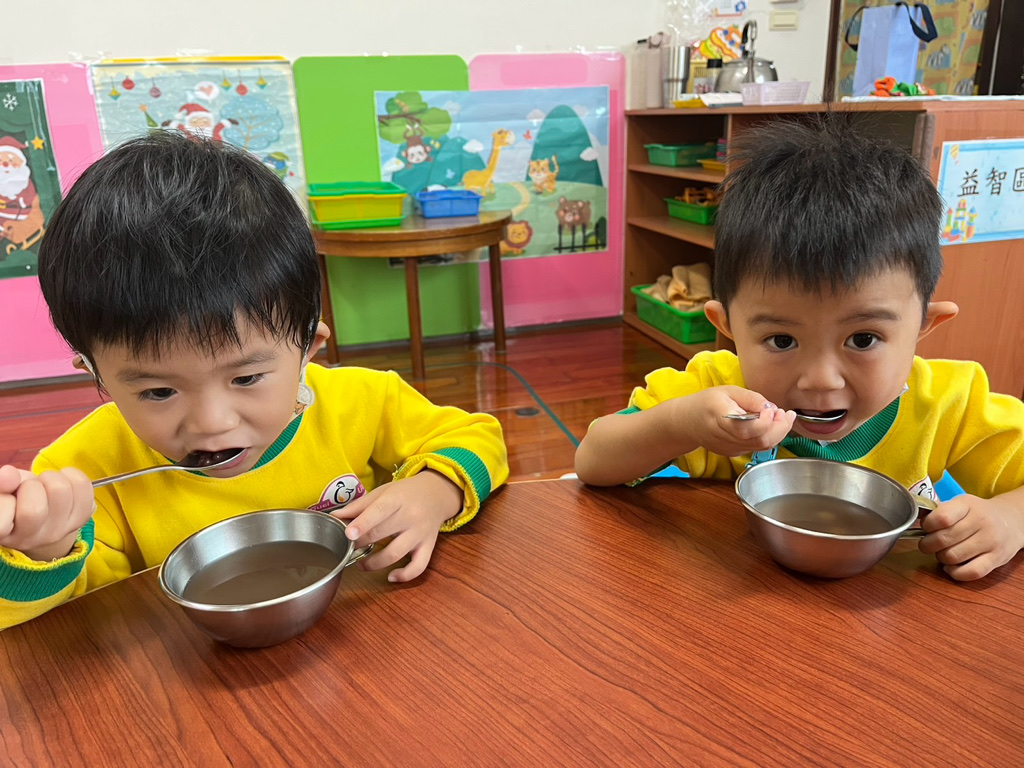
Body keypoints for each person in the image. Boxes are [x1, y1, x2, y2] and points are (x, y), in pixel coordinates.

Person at [0, 132, 508, 629]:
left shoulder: (361, 401)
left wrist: (434, 490)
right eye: (158, 391)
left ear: (307, 349)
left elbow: (478, 437)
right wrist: (43, 552)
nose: (212, 423)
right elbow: (68, 626)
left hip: (367, 633)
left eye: (246, 378)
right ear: (98, 377)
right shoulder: (81, 474)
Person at [575, 116, 1024, 581]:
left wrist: (1011, 519)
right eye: (782, 340)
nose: (820, 379)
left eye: (863, 339)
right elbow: (592, 461)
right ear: (727, 326)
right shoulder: (715, 392)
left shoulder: (951, 403)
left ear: (924, 326)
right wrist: (681, 424)